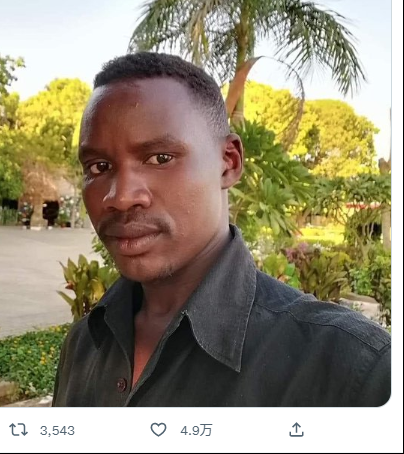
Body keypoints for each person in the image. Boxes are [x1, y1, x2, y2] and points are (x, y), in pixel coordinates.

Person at [52, 52, 390, 407]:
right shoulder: (83, 346)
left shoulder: (355, 371)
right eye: (99, 166)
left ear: (228, 162)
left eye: (160, 158)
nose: (121, 197)